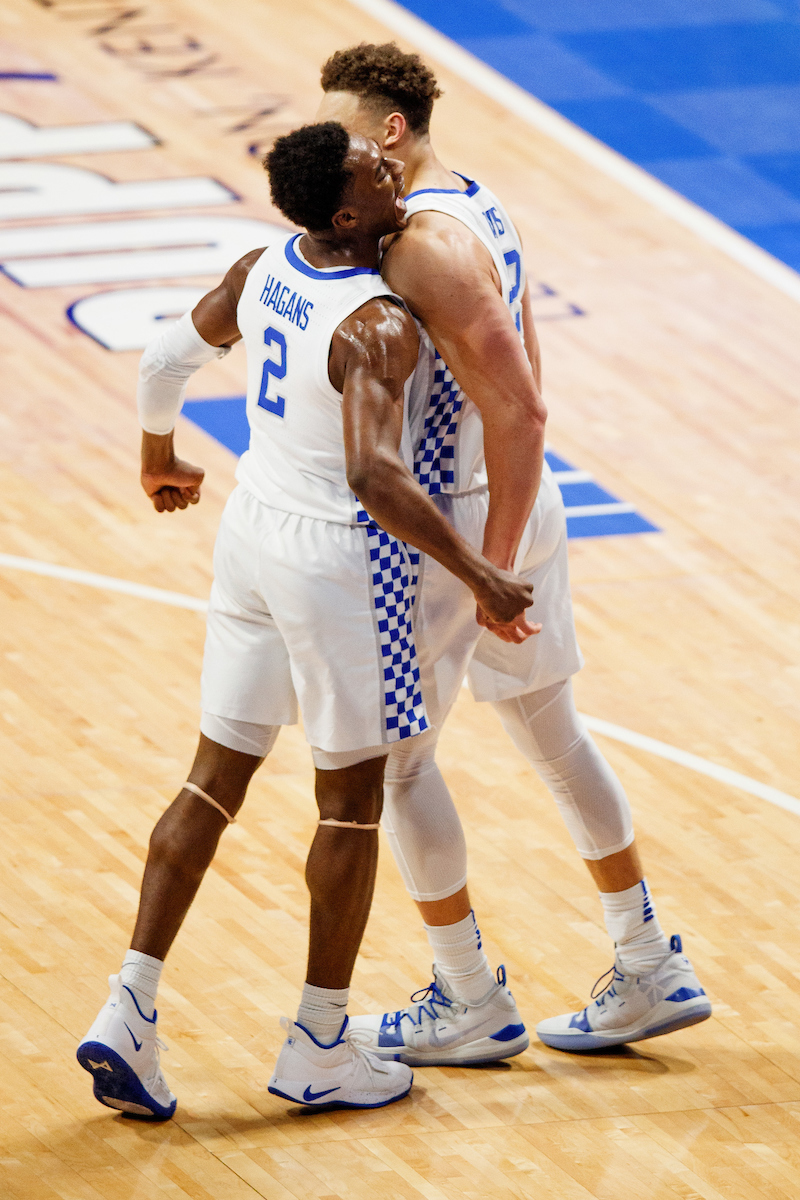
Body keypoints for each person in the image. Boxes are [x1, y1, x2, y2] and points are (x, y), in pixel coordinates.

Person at [76, 121, 535, 1118]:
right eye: (375, 172)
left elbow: (164, 358)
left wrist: (157, 457)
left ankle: (129, 1005)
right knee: (350, 803)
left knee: (211, 780)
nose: (392, 171)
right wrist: (479, 572)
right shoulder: (376, 325)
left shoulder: (263, 267)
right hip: (336, 559)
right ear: (347, 213)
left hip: (251, 533)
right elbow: (374, 476)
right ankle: (321, 1041)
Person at [317, 43, 711, 1060]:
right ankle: (648, 962)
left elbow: (523, 408)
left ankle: (464, 997)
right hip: (507, 505)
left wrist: (491, 571)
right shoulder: (481, 204)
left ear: (390, 130)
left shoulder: (425, 244)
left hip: (458, 530)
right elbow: (527, 375)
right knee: (552, 732)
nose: (333, 149)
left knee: (397, 763)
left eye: (345, 129)